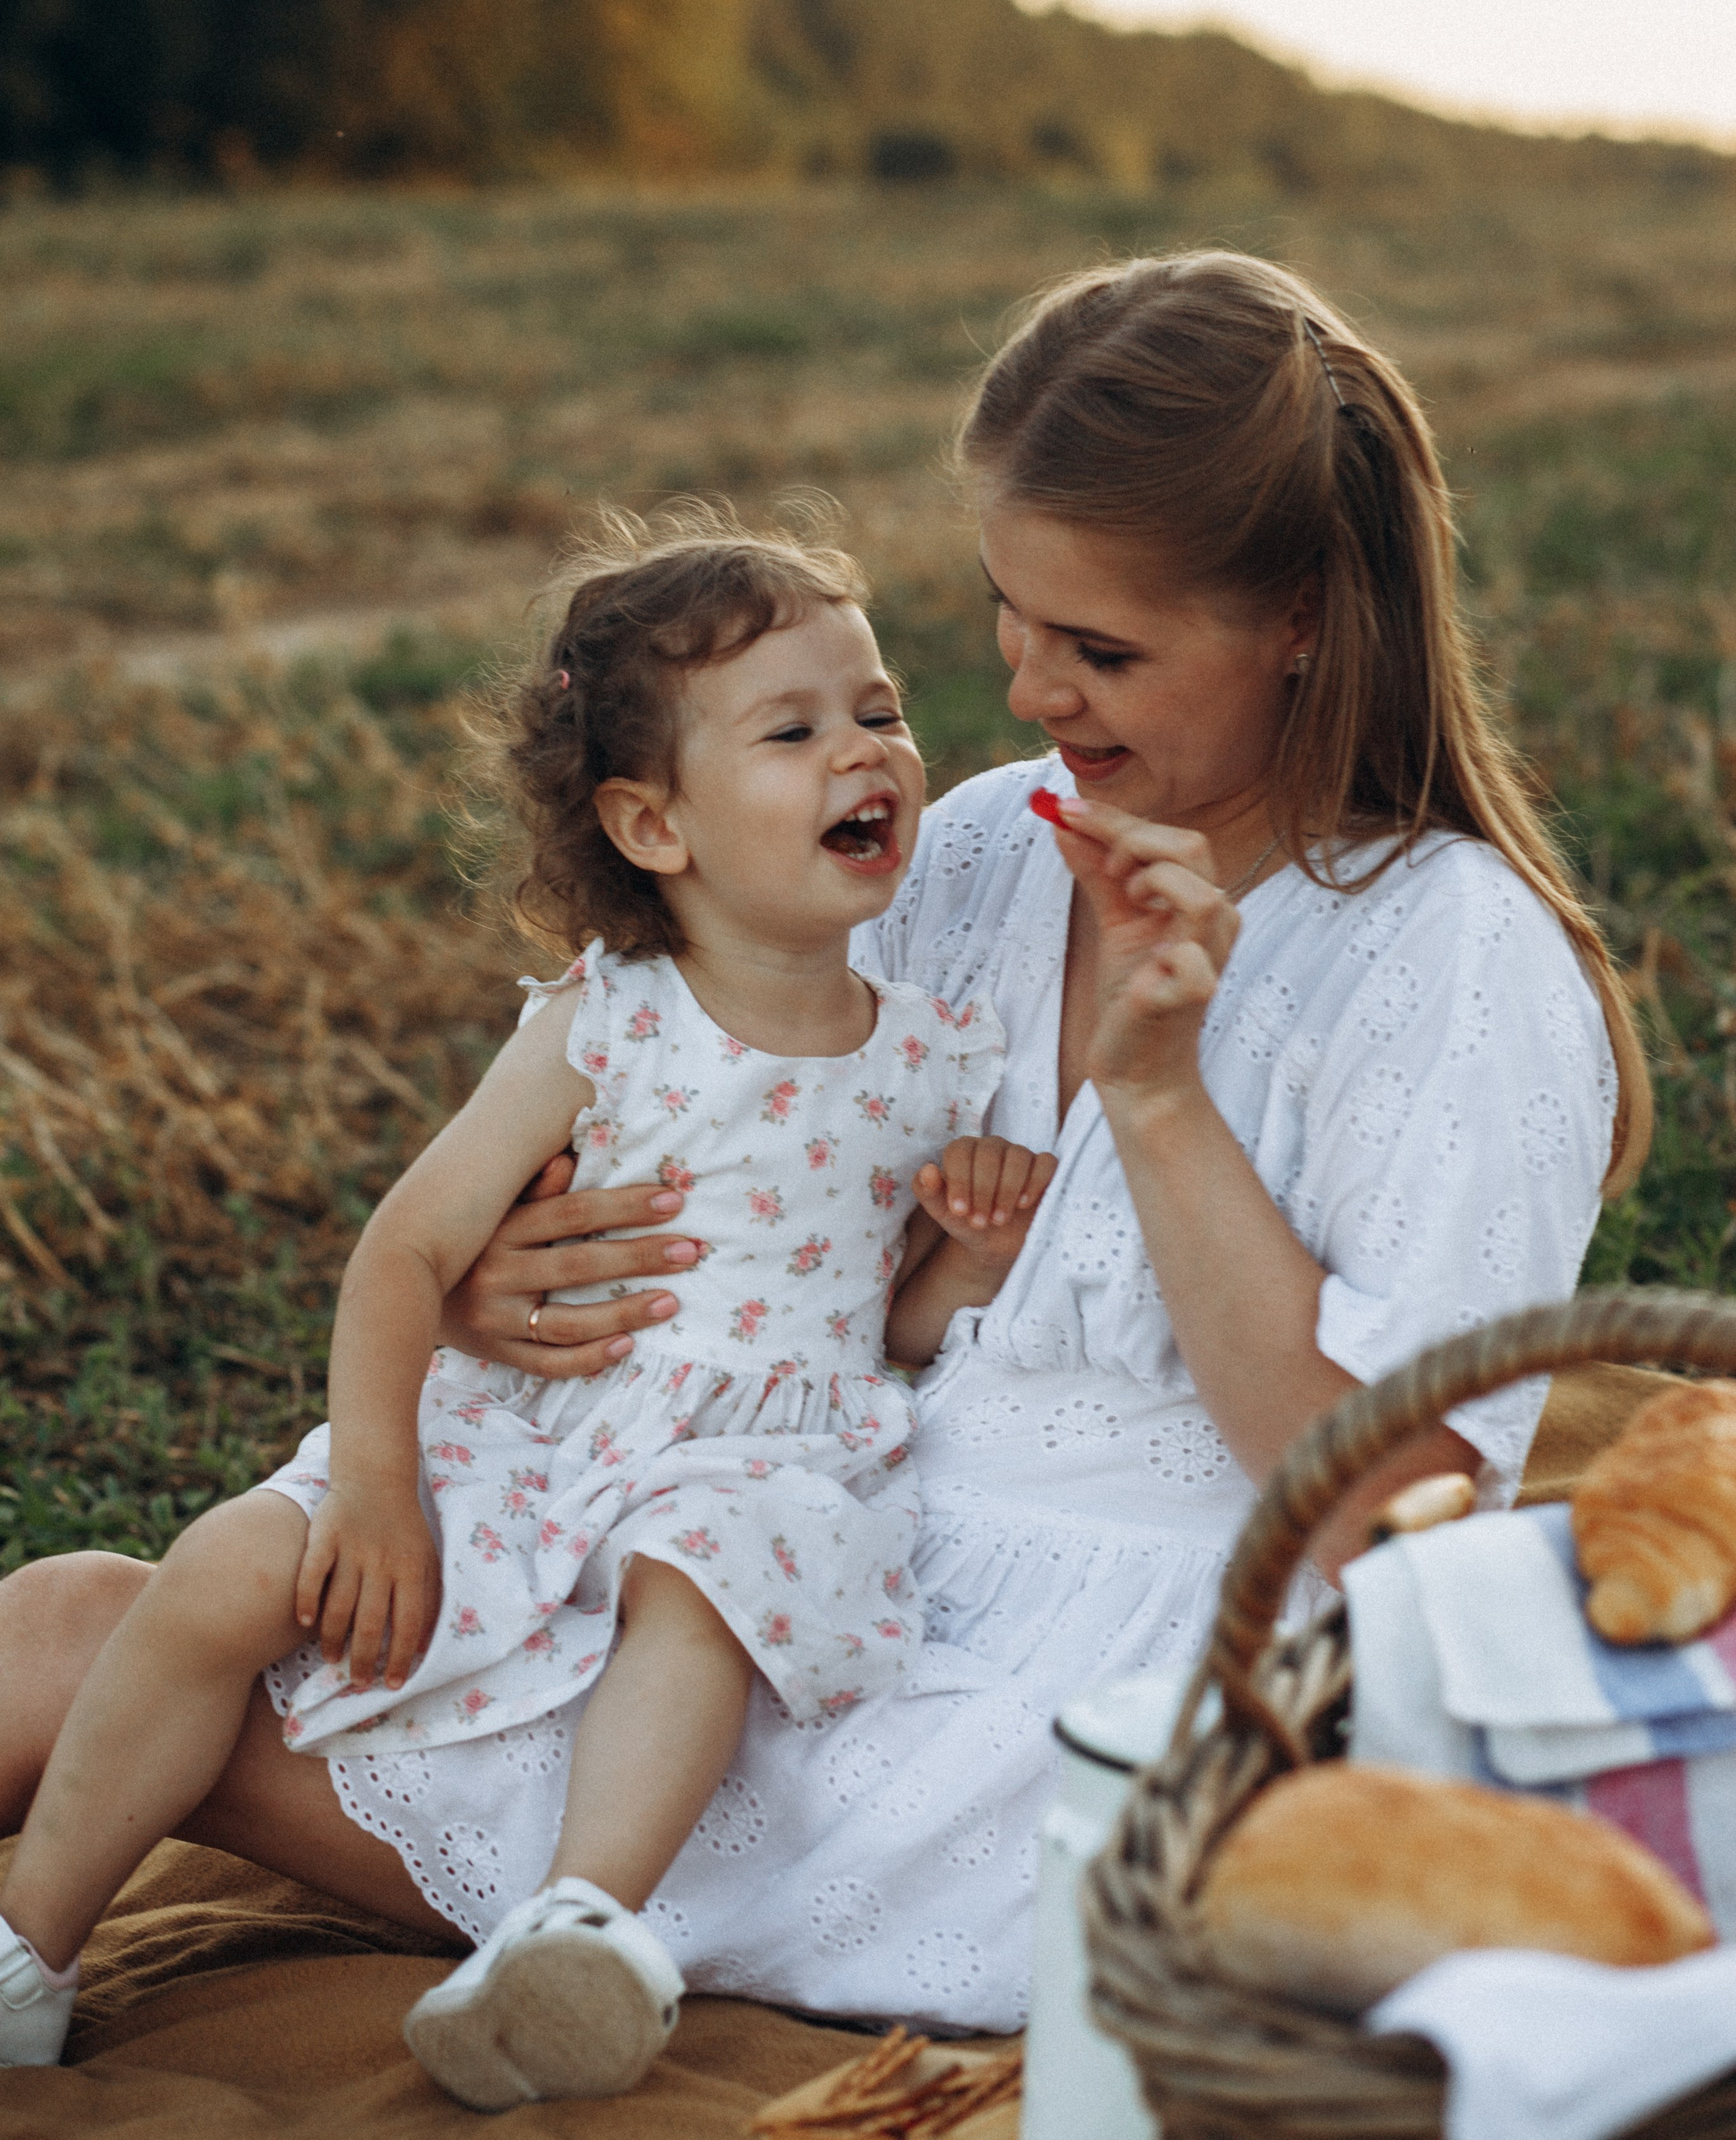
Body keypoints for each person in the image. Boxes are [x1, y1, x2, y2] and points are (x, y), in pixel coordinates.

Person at [0, 250, 1647, 2042]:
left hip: (1072, 1696)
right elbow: (747, 1162)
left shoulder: (1453, 963)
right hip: (769, 1518)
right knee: (78, 1616)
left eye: (1102, 651)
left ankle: (575, 1921)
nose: (1030, 692)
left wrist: (1159, 1106)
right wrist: (493, 1287)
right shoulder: (986, 846)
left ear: (1305, 619)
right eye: (1010, 618)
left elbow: (1381, 1524)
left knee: (90, 1657)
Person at [0, 518, 1050, 2103]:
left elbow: (883, 1326)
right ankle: (31, 1950)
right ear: (651, 823)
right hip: (533, 1433)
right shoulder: (607, 1021)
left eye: (879, 710)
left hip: (750, 1459)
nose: (864, 752)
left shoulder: (925, 1054)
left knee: (709, 1579)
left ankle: (574, 1927)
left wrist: (964, 1257)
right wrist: (374, 1488)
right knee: (225, 1565)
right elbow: (404, 1256)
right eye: (792, 731)